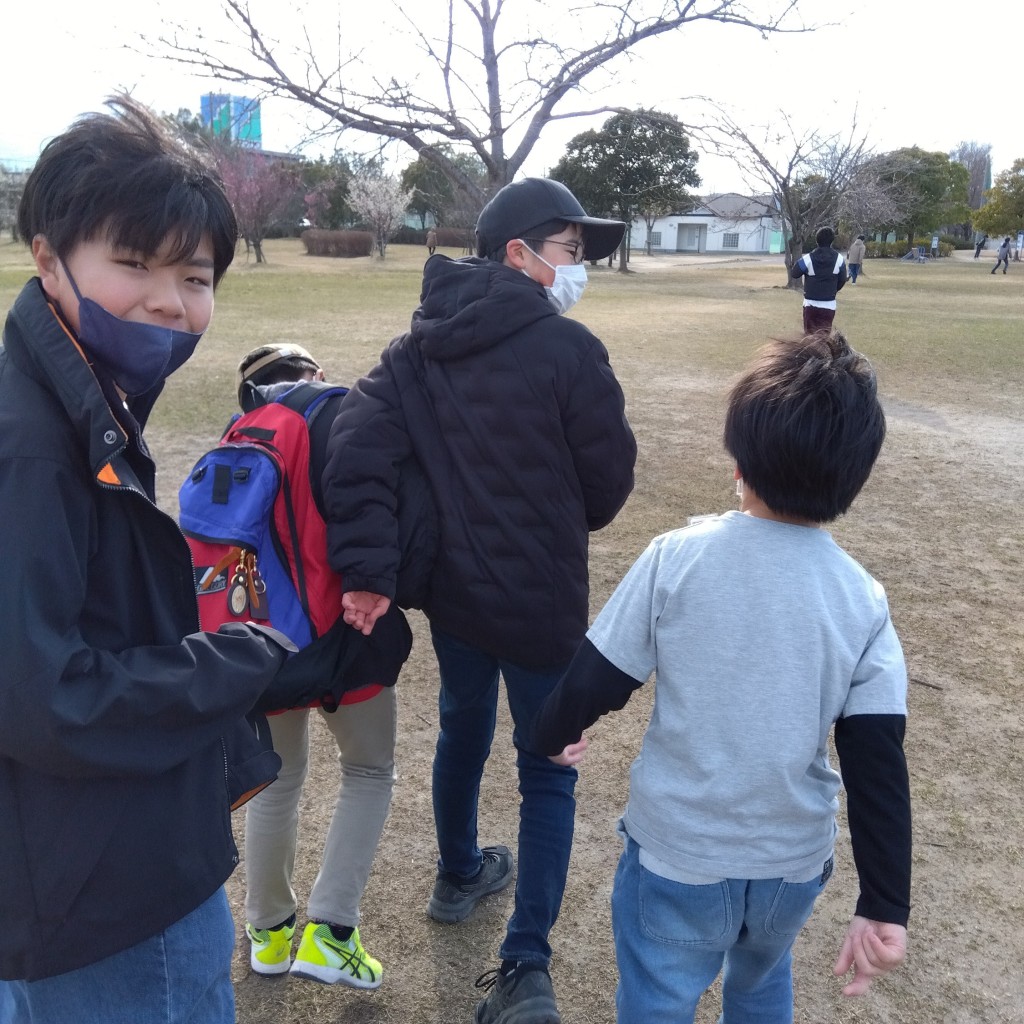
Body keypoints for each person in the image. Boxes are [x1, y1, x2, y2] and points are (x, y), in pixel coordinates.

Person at [0, 96, 353, 1024]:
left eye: (195, 276)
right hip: (106, 898)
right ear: (48, 257)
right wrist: (243, 657)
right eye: (133, 263)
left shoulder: (83, 398)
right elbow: (46, 699)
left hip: (75, 867)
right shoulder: (34, 446)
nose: (171, 301)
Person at [320, 177, 637, 1024]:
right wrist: (370, 571)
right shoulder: (572, 353)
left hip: (456, 600)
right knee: (547, 773)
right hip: (541, 608)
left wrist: (370, 570)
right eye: (571, 250)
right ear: (519, 254)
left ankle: (458, 870)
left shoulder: (415, 349)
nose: (577, 268)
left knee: (464, 729)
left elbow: (352, 452)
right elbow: (606, 490)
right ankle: (525, 965)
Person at [533, 331, 911, 1024]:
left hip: (680, 853)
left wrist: (552, 734)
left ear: (739, 460)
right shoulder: (862, 598)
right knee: (762, 982)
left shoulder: (677, 559)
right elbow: (876, 756)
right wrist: (884, 904)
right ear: (852, 478)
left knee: (658, 997)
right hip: (790, 867)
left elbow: (599, 675)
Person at [233, 345, 398, 989]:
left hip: (265, 638)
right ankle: (330, 933)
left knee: (277, 782)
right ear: (313, 376)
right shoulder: (340, 413)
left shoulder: (240, 434)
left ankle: (268, 936)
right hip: (346, 631)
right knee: (368, 770)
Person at [791, 226, 848, 334]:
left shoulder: (809, 258)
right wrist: (833, 290)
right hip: (829, 305)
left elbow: (795, 273)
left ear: (817, 240)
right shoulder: (839, 259)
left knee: (809, 339)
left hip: (810, 304)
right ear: (832, 240)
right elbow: (842, 279)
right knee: (824, 339)